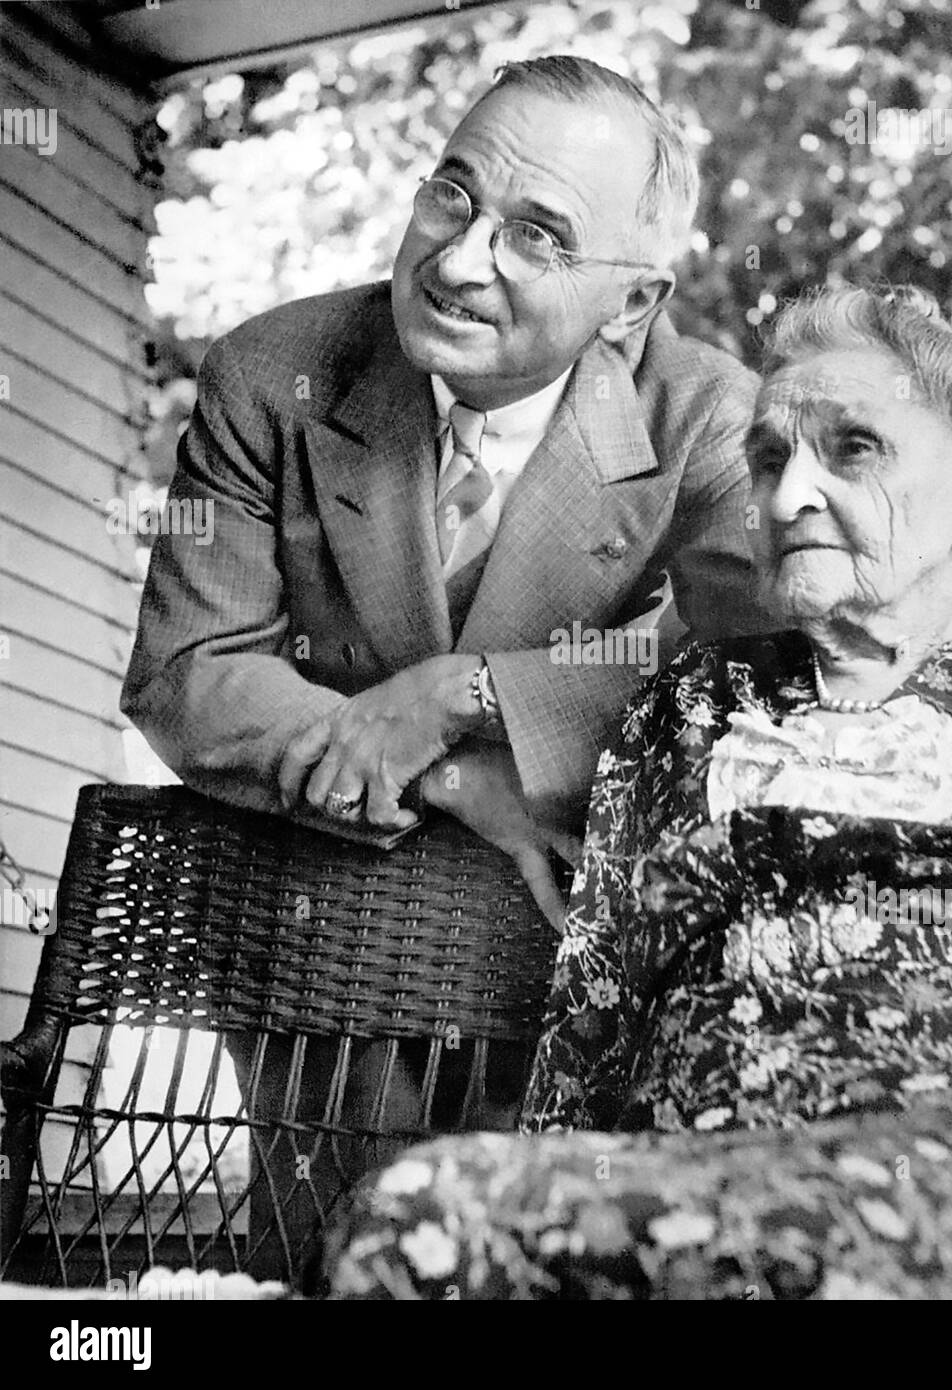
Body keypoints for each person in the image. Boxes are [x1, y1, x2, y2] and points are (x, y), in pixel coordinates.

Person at [325, 285, 952, 1300]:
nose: (787, 499)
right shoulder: (688, 710)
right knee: (418, 1216)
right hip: (688, 1203)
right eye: (770, 458)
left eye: (855, 448)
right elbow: (592, 1032)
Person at [120, 55, 767, 1281]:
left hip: (571, 981)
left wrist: (465, 695)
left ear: (630, 306)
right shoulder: (275, 372)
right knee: (327, 1274)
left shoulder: (711, 426)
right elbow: (191, 675)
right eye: (453, 197)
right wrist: (458, 778)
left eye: (535, 235)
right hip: (321, 962)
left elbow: (740, 690)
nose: (461, 259)